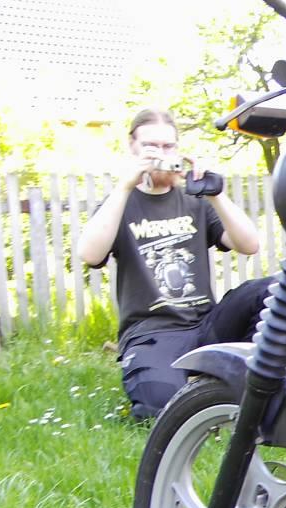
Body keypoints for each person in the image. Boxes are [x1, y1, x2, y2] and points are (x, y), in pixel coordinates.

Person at [77, 108, 271, 420]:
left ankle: (248, 380)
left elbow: (249, 245)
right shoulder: (119, 204)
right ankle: (201, 386)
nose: (161, 154)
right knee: (164, 412)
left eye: (168, 146)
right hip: (152, 334)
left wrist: (215, 194)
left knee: (271, 290)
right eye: (150, 147)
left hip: (206, 325)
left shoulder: (195, 202)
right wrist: (125, 186)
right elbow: (90, 254)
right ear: (132, 147)